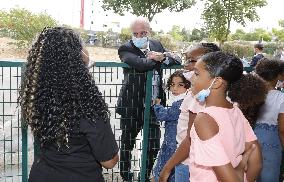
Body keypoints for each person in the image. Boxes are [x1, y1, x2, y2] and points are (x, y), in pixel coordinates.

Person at [19, 27, 119, 182]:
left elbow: (61, 81)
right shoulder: (87, 105)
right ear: (79, 56)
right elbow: (109, 161)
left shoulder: (37, 99)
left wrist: (82, 69)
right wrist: (83, 71)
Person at [160, 51, 266, 182]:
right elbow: (256, 159)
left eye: (197, 74)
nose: (191, 78)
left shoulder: (205, 119)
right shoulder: (235, 111)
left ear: (216, 82)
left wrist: (238, 171)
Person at [116, 17, 181, 181]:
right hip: (131, 105)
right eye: (135, 33)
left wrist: (164, 57)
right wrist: (159, 59)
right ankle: (126, 175)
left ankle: (145, 175)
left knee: (153, 144)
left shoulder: (157, 44)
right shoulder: (125, 48)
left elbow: (177, 59)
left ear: (149, 31)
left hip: (154, 106)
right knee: (127, 144)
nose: (139, 36)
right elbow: (140, 64)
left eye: (143, 33)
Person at [175, 43, 220, 181]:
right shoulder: (195, 93)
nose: (186, 65)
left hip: (189, 163)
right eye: (186, 60)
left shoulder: (200, 98)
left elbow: (190, 138)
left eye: (192, 61)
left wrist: (169, 165)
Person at [152, 70, 190, 182]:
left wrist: (157, 106)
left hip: (173, 143)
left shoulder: (180, 103)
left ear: (188, 85)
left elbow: (166, 115)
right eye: (172, 84)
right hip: (176, 142)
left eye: (180, 85)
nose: (175, 88)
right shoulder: (184, 100)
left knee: (163, 169)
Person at [254, 58, 284, 182]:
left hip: (252, 138)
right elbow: (282, 129)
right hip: (272, 142)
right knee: (269, 175)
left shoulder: (251, 94)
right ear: (278, 75)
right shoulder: (281, 98)